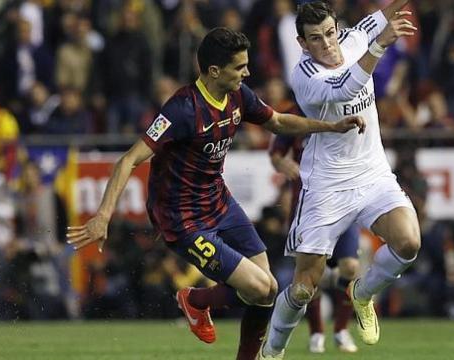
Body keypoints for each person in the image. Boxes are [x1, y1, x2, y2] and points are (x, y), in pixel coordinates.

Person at [67, 27, 365, 360]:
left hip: (220, 203)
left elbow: (279, 122)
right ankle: (195, 301)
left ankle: (202, 307)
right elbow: (128, 160)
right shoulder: (181, 109)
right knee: (264, 288)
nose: (247, 73)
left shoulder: (239, 95)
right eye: (240, 67)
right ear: (214, 71)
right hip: (183, 220)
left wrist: (332, 127)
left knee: (264, 291)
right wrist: (103, 215)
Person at [259, 1, 420, 358]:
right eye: (315, 39)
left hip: (372, 172)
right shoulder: (304, 77)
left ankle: (362, 293)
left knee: (408, 243)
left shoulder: (353, 38)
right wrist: (380, 46)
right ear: (302, 43)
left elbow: (384, 15)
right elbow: (344, 88)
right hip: (326, 186)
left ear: (338, 28)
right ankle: (272, 350)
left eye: (330, 33)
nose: (327, 44)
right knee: (304, 287)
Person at [269, 133, 359, 353]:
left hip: (344, 201)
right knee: (309, 275)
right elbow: (276, 151)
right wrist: (281, 162)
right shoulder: (296, 114)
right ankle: (317, 333)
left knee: (351, 267)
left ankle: (341, 330)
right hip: (308, 207)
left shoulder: (342, 109)